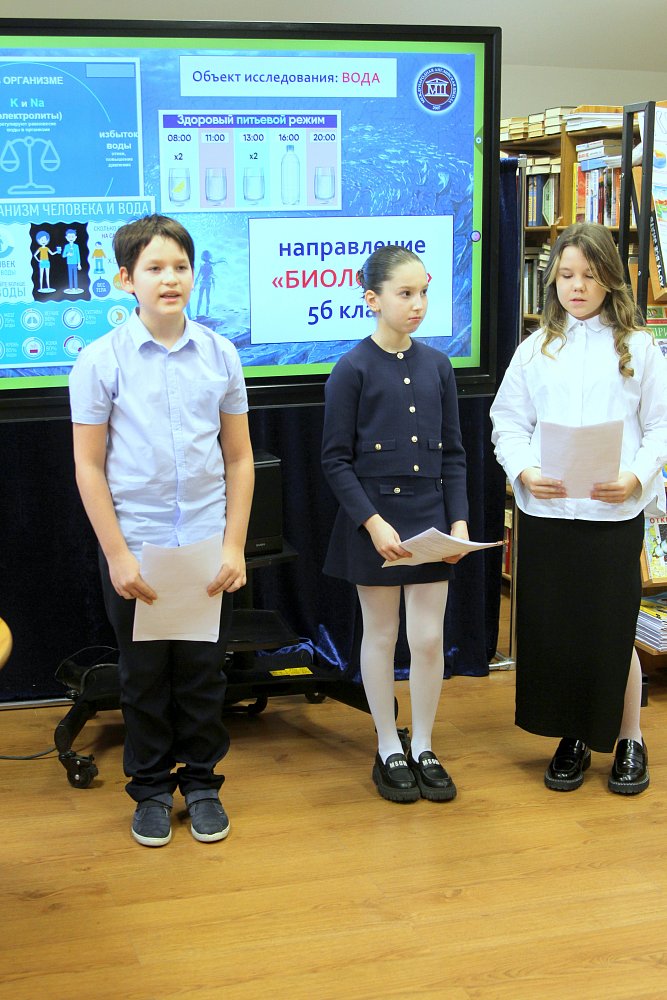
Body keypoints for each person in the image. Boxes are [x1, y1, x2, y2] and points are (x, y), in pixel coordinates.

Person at [69, 214, 254, 846]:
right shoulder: (99, 361)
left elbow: (239, 458)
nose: (170, 279)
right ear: (126, 279)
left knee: (203, 674)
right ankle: (149, 789)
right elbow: (89, 466)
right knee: (143, 678)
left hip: (205, 545)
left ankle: (201, 784)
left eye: (180, 266)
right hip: (138, 548)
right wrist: (117, 556)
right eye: (154, 268)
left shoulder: (220, 353)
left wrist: (234, 545)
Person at [490, 222, 667, 795]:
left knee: (610, 631)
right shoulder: (535, 348)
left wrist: (635, 476)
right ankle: (574, 736)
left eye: (589, 276)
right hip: (549, 516)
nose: (577, 287)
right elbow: (507, 422)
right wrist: (525, 470)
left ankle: (630, 738)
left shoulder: (640, 348)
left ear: (610, 278)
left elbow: (660, 426)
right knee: (559, 632)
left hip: (613, 515)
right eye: (566, 275)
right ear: (553, 282)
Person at [321, 244, 469, 804]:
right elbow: (335, 461)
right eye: (405, 293)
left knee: (428, 638)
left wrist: (458, 523)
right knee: (381, 636)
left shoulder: (438, 366)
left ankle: (423, 743)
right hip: (375, 524)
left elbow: (453, 454)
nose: (418, 304)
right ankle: (388, 743)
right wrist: (373, 523)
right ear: (372, 299)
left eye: (423, 292)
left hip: (431, 518)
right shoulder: (351, 369)